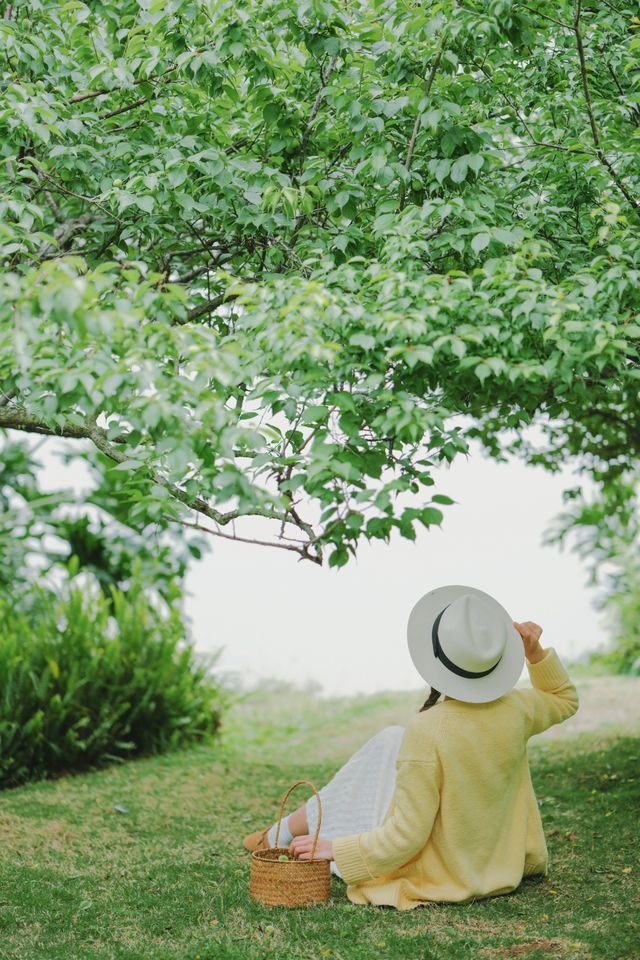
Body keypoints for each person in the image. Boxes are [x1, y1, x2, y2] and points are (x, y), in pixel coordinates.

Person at [242, 584, 580, 910]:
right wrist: (536, 654)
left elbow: (407, 835)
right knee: (391, 740)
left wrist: (336, 850)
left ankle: (282, 831)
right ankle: (281, 831)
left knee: (384, 750)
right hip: (497, 861)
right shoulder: (517, 709)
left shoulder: (429, 729)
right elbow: (563, 698)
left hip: (446, 871)